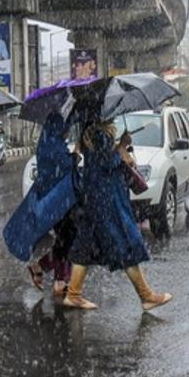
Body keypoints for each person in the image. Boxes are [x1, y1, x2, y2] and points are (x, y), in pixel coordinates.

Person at [65, 113, 172, 311]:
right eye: (110, 114)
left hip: (96, 197)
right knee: (127, 242)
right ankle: (146, 296)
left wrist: (118, 147)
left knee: (86, 245)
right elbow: (108, 163)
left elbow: (100, 161)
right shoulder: (99, 135)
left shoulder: (90, 133)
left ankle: (73, 293)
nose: (113, 117)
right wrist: (121, 147)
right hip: (107, 199)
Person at [27, 114, 78, 296]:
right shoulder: (54, 146)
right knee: (68, 238)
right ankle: (58, 279)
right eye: (65, 128)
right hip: (58, 200)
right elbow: (64, 166)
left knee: (65, 239)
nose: (67, 132)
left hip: (55, 198)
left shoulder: (47, 144)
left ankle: (49, 272)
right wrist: (75, 155)